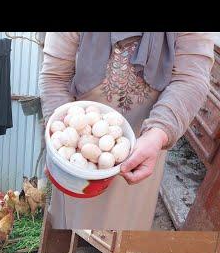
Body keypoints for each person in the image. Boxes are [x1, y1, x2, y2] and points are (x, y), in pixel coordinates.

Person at [39, 32, 214, 230]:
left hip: (145, 142)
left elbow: (191, 77)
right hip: (81, 143)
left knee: (126, 225)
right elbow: (56, 76)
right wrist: (62, 137)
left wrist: (158, 133)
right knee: (74, 219)